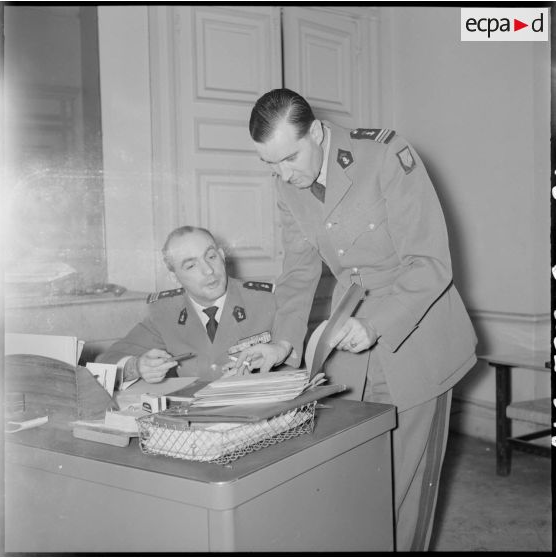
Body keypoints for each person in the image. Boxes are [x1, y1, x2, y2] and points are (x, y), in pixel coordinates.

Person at [238, 88, 478, 551]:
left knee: (404, 491)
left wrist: (375, 324)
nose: (283, 174)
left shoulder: (386, 155)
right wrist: (282, 341)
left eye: (289, 158)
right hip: (349, 344)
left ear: (319, 133)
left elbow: (430, 264)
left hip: (415, 336)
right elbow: (299, 269)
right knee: (349, 478)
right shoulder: (287, 183)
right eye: (270, 165)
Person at [98, 226, 278, 385]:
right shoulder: (166, 312)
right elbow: (106, 361)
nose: (208, 270)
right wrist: (137, 366)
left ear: (222, 256)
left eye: (211, 256)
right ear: (174, 277)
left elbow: (302, 357)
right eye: (191, 265)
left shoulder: (265, 300)